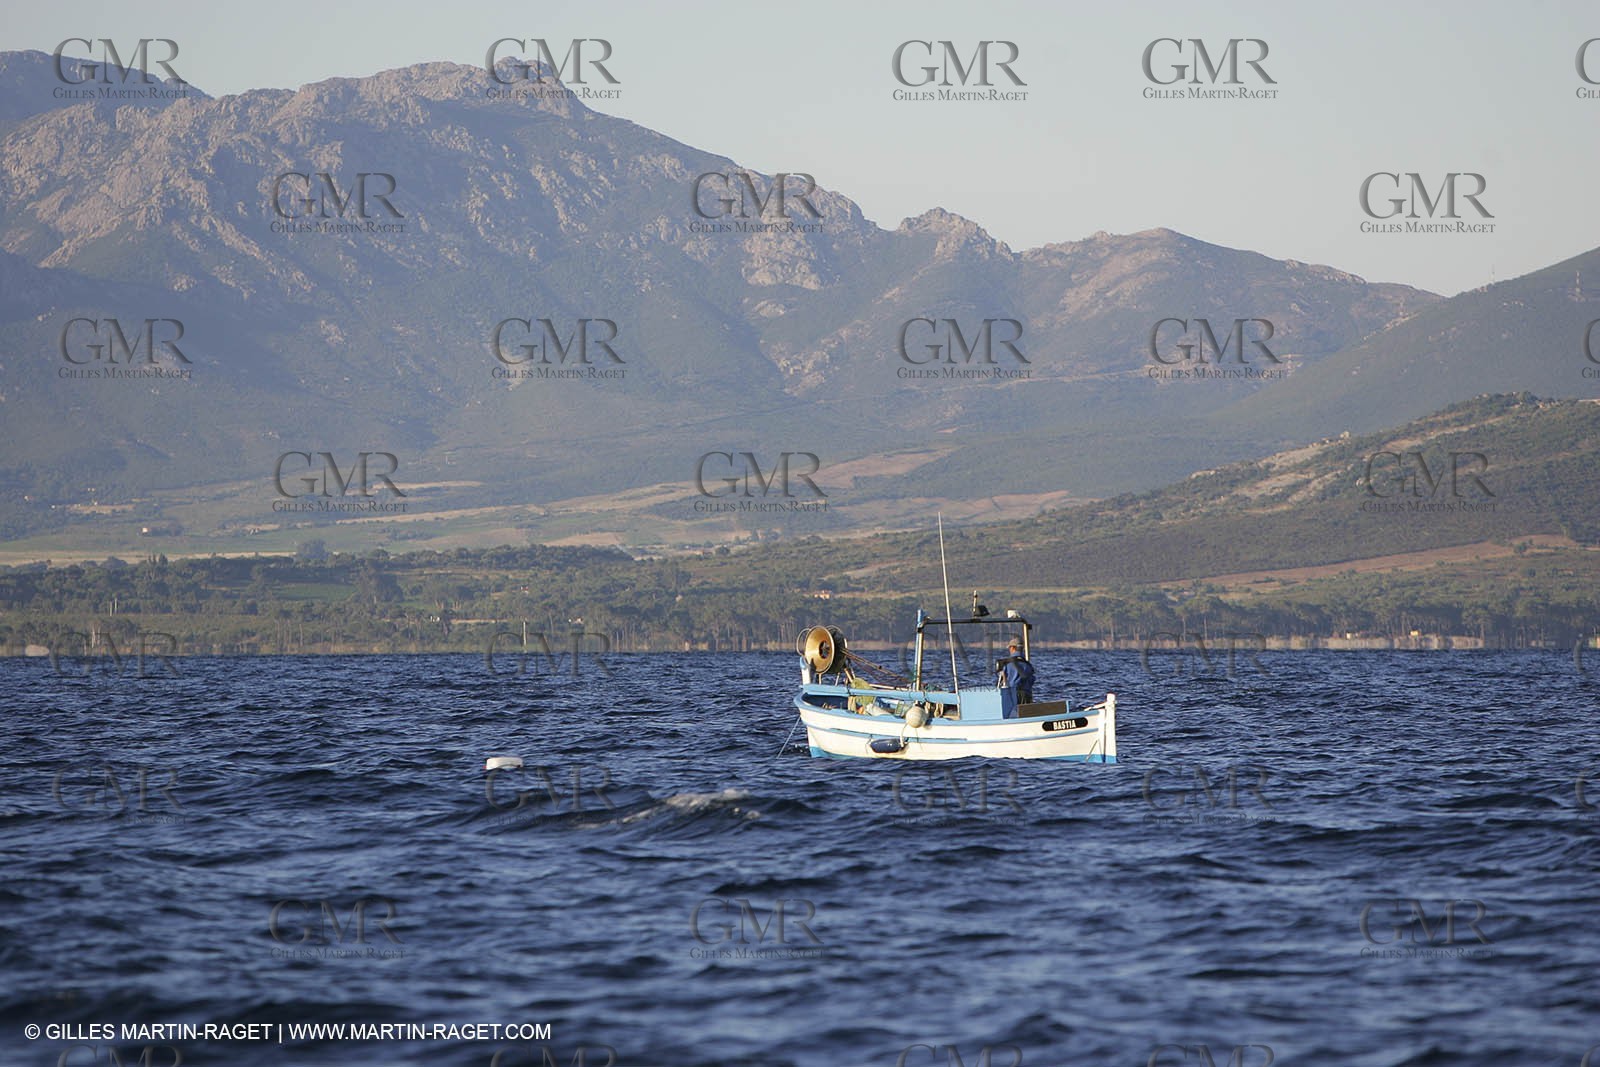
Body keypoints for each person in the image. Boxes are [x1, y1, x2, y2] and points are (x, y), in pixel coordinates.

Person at [996, 636, 1035, 717]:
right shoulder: (1028, 665)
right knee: (1025, 716)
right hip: (1026, 695)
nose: (1009, 650)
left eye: (1010, 648)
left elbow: (1001, 682)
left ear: (1013, 648)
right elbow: (1031, 680)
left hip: (1012, 695)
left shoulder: (1006, 664)